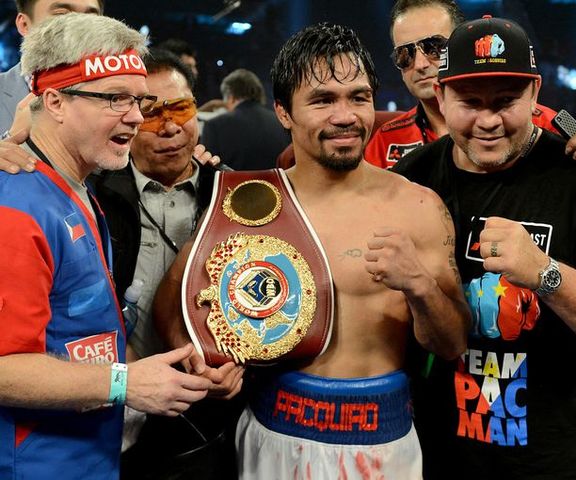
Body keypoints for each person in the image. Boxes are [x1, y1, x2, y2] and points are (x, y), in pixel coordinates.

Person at [154, 22, 471, 479]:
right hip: (273, 435)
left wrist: (420, 286)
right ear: (284, 112)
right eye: (322, 100)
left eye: (358, 97)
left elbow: (452, 344)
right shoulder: (249, 201)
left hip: (385, 441)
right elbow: (172, 300)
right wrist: (201, 361)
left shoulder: (418, 207)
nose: (345, 116)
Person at [393, 15, 576, 479]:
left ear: (534, 93)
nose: (488, 121)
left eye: (506, 101)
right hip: (433, 458)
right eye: (470, 102)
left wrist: (547, 274)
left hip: (555, 465)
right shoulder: (410, 180)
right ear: (441, 96)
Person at [0, 13, 229, 479]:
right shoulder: (17, 209)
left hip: (89, 458)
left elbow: (85, 336)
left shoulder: (80, 188)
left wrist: (156, 370)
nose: (137, 117)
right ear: (55, 101)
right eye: (115, 98)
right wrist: (126, 383)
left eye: (137, 99)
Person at [91, 48, 243, 479]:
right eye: (152, 113)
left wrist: (240, 363)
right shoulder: (94, 195)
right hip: (122, 407)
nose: (171, 126)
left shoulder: (237, 193)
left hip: (212, 413)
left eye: (181, 109)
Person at [366, 0, 576, 180]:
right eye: (405, 54)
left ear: (465, 44)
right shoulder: (386, 139)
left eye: (434, 47)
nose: (420, 64)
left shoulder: (547, 124)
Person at [0, 0, 103, 136]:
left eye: (90, 17)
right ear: (24, 25)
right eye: (61, 14)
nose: (80, 26)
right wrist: (9, 140)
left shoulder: (124, 95)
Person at [200, 68, 290, 170]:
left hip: (232, 181)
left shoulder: (214, 126)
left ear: (230, 97)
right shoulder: (282, 122)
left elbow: (207, 171)